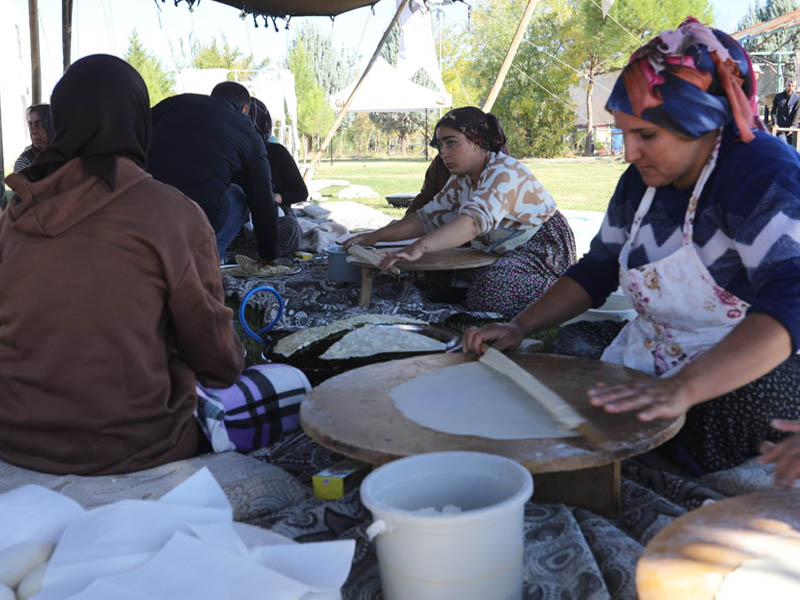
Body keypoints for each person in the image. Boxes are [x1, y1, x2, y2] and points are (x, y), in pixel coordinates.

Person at [464, 18, 800, 475]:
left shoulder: (760, 172)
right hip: (663, 345)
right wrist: (520, 326)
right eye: (625, 133)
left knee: (739, 407)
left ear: (702, 122)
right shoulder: (639, 184)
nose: (629, 154)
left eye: (647, 136)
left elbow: (792, 297)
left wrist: (683, 388)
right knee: (571, 349)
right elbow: (598, 268)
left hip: (747, 357)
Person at [0, 55, 306, 476]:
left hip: (16, 437)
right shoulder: (172, 213)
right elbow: (217, 363)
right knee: (293, 385)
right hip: (135, 443)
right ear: (137, 122)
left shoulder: (15, 214)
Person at [344, 106, 576, 318]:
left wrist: (419, 246)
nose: (443, 152)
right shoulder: (461, 179)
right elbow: (425, 220)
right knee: (446, 281)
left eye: (451, 143)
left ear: (477, 142)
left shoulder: (504, 172)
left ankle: (567, 291)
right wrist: (373, 237)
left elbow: (472, 223)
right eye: (440, 145)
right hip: (505, 249)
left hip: (543, 248)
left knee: (491, 290)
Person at [147, 81, 278, 261]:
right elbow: (262, 198)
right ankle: (207, 259)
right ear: (245, 109)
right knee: (238, 194)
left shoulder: (173, 104)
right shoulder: (246, 131)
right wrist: (269, 255)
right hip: (198, 216)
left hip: (147, 208)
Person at [247, 97, 307, 257]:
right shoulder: (224, 151)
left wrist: (275, 197)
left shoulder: (277, 153)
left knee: (290, 227)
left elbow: (301, 192)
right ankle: (243, 254)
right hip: (240, 226)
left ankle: (244, 255)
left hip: (275, 221)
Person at [13, 104, 54, 173]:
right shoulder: (25, 163)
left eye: (39, 125)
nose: (33, 131)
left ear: (52, 126)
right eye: (30, 125)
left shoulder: (66, 157)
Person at [771, 79, 799, 147]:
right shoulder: (778, 97)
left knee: (794, 147)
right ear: (785, 86)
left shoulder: (797, 98)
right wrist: (775, 123)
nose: (790, 88)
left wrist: (792, 126)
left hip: (792, 127)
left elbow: (796, 113)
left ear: (795, 87)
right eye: (789, 86)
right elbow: (773, 112)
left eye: (793, 86)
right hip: (780, 126)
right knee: (783, 145)